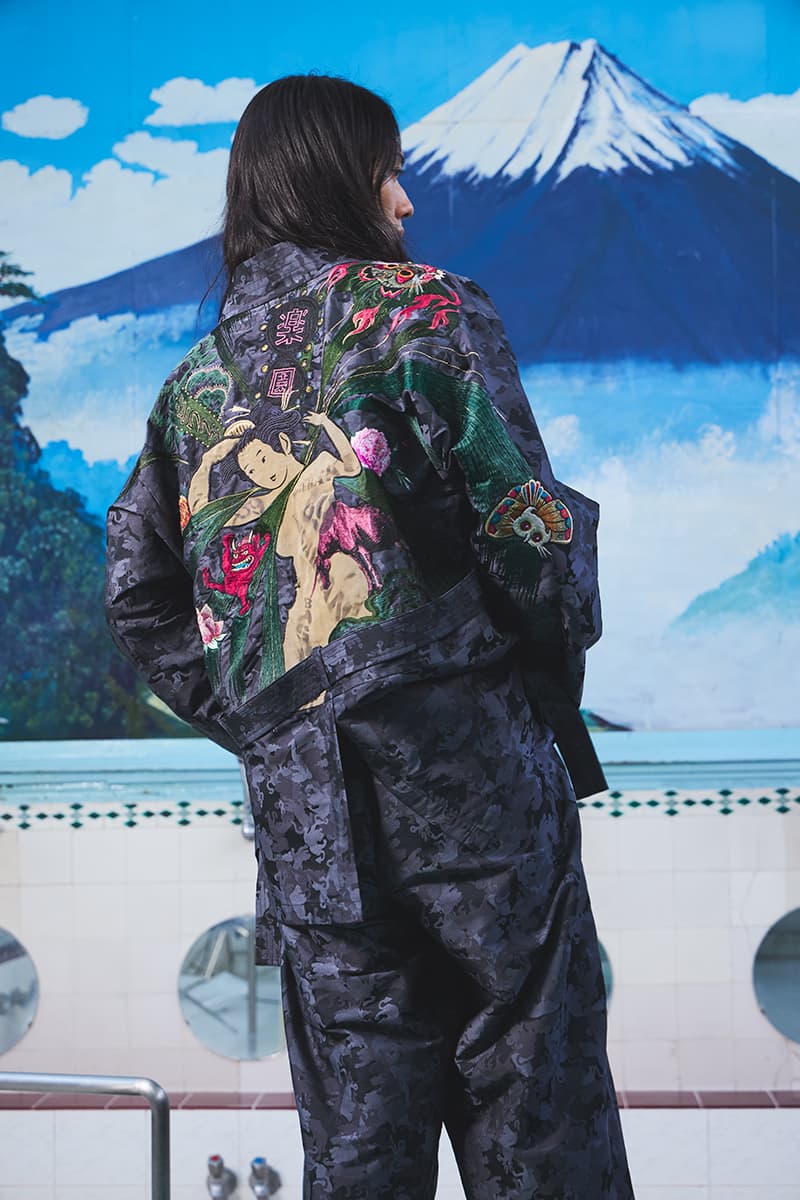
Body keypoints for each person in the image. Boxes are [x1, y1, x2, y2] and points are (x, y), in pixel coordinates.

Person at [105, 74, 634, 1200]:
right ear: (334, 179)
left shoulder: (193, 387)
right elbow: (528, 533)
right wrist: (530, 661)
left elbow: (138, 593)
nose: (404, 202)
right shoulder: (425, 312)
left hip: (308, 825)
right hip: (474, 785)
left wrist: (266, 717)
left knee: (357, 1156)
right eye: (388, 172)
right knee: (539, 1124)